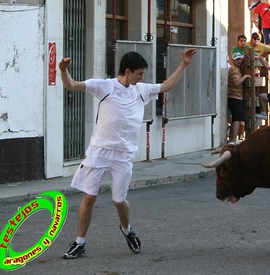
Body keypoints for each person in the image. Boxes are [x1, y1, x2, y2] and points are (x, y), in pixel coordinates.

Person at [59, 48, 197, 259]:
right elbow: (71, 85)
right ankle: (79, 243)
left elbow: (167, 85)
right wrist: (63, 70)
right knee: (89, 197)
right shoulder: (105, 86)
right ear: (127, 71)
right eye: (139, 74)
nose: (142, 77)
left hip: (123, 155)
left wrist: (184, 64)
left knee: (118, 201)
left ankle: (127, 230)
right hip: (100, 151)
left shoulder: (141, 90)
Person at [228, 52, 251, 145]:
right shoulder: (234, 69)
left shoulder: (237, 69)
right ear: (233, 60)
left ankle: (231, 139)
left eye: (239, 59)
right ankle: (233, 140)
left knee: (235, 119)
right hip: (235, 97)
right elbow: (237, 83)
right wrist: (245, 77)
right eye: (237, 59)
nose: (239, 61)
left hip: (234, 96)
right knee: (237, 119)